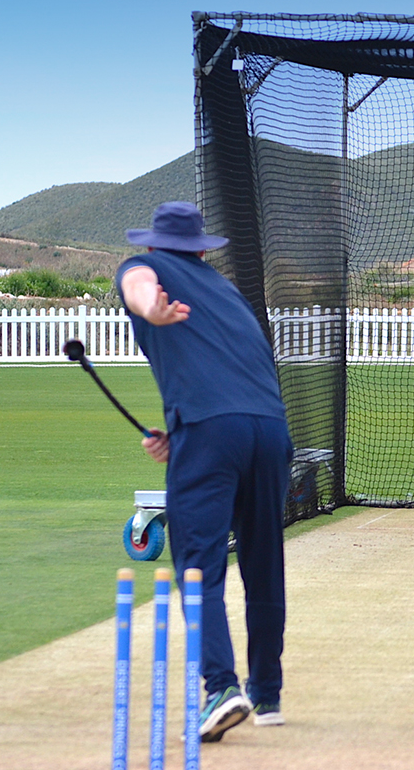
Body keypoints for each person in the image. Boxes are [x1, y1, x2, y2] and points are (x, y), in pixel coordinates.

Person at [116, 201, 293, 742]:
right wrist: (181, 434)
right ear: (200, 249)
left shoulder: (143, 267)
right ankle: (267, 694)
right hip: (270, 429)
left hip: (212, 432)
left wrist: (150, 310)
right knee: (263, 562)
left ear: (152, 244)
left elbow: (139, 287)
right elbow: (229, 372)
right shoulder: (226, 290)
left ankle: (220, 688)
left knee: (199, 566)